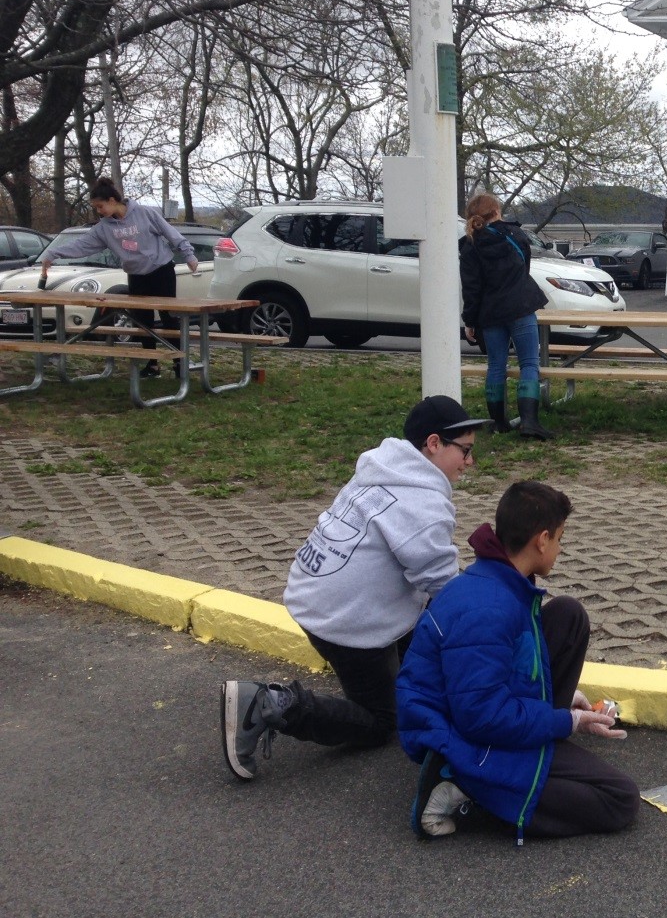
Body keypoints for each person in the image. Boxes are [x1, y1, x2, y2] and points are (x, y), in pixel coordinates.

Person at [220, 395, 482, 780]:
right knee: (380, 722)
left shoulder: (384, 469)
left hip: (314, 594)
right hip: (345, 623)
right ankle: (267, 703)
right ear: (433, 443)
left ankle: (427, 691)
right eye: (466, 450)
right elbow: (443, 585)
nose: (470, 462)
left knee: (422, 642)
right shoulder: (422, 503)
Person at [396, 480, 639, 843]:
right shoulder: (488, 610)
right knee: (619, 798)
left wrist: (560, 700)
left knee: (568, 615)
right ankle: (460, 786)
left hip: (474, 714)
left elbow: (505, 665)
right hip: (461, 738)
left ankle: (533, 747)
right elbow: (482, 717)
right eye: (559, 538)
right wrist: (567, 721)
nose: (560, 549)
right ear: (542, 540)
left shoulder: (501, 580)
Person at [37, 176, 198, 378]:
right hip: (136, 275)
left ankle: (179, 362)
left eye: (100, 206)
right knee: (143, 321)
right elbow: (81, 245)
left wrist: (189, 255)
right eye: (96, 208)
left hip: (161, 271)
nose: (99, 211)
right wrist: (54, 253)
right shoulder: (104, 228)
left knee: (169, 317)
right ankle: (152, 364)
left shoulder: (145, 213)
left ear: (112, 200)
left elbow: (171, 233)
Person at [459, 191, 551, 439]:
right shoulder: (516, 235)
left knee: (496, 365)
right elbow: (524, 269)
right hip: (520, 307)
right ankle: (529, 422)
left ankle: (499, 422)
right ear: (497, 211)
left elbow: (471, 288)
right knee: (528, 363)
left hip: (490, 313)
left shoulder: (469, 245)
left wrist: (470, 321)